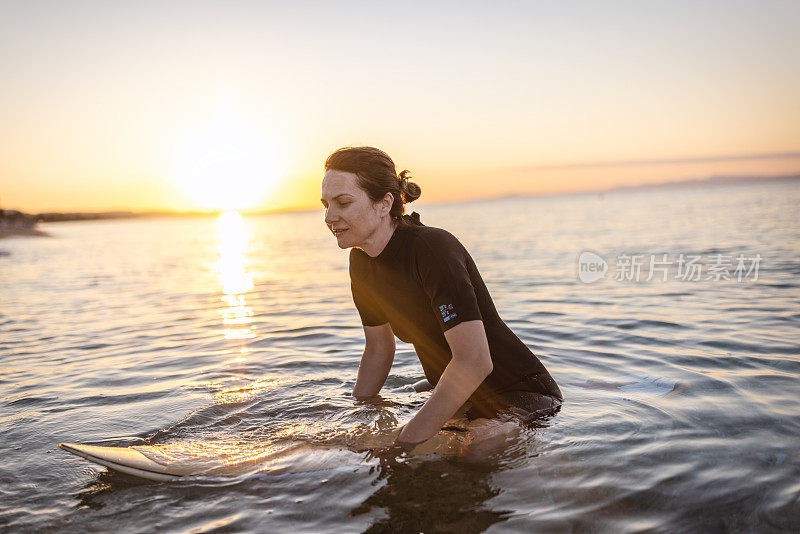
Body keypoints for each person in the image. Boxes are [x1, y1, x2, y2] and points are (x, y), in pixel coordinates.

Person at [320, 146, 563, 460]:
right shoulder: (360, 262)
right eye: (326, 205)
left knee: (468, 451)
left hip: (521, 396)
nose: (329, 216)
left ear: (384, 203)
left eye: (343, 202)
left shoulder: (432, 249)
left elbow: (474, 360)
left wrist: (403, 444)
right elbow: (379, 348)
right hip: (461, 396)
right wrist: (358, 412)